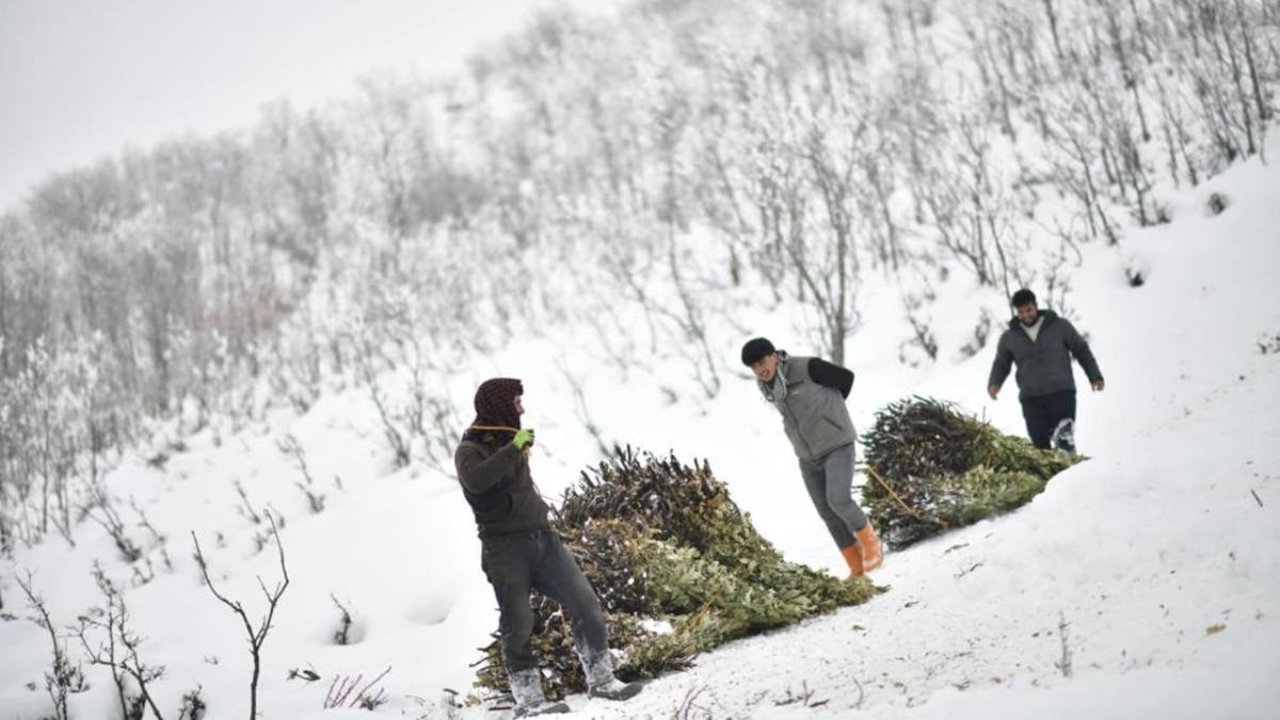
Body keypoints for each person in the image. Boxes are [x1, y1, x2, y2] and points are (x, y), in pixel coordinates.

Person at [455, 378, 641, 718]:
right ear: (498, 405)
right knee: (518, 624)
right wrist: (512, 449)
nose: (522, 409)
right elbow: (477, 481)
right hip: (504, 549)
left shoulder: (510, 440)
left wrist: (513, 447)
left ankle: (602, 680)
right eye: (516, 402)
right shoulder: (470, 449)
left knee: (585, 602)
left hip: (543, 538)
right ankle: (529, 702)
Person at [740, 338, 882, 579]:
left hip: (836, 443)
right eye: (754, 366)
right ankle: (856, 565)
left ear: (774, 356)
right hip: (807, 455)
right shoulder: (769, 386)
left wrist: (831, 415)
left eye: (762, 361)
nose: (760, 369)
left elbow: (846, 379)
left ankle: (872, 544)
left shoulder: (807, 367)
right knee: (826, 511)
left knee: (839, 499)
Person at [987, 288, 1105, 453]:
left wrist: (1095, 376)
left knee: (1064, 438)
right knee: (1040, 446)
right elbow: (1001, 363)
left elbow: (1081, 349)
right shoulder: (1009, 337)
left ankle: (1072, 472)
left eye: (1029, 309)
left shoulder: (1060, 326)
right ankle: (1053, 478)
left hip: (1061, 391)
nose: (1026, 315)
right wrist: (994, 383)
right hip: (1031, 398)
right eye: (1020, 312)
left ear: (1036, 306)